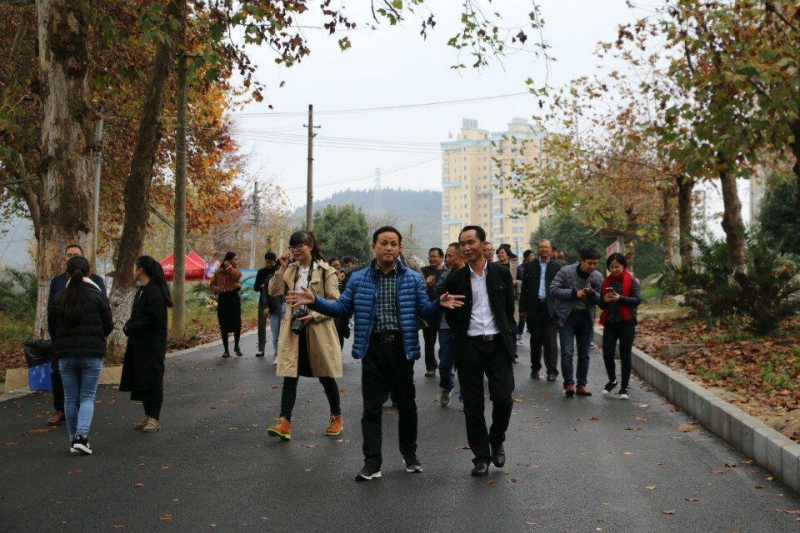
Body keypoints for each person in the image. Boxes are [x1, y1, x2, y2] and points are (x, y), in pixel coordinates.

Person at [290, 226, 463, 481]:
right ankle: (372, 462)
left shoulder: (412, 279)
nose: (388, 248)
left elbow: (425, 311)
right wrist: (315, 301)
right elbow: (341, 308)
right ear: (374, 247)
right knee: (371, 408)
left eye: (393, 243)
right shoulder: (359, 278)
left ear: (400, 247)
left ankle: (410, 454)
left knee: (407, 406)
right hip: (372, 349)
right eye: (384, 243)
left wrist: (439, 304)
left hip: (402, 349)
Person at [443, 226, 516, 477]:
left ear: (483, 244)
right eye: (462, 244)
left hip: (497, 345)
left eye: (471, 242)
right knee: (473, 404)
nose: (466, 248)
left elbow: (508, 310)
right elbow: (452, 317)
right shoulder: (455, 279)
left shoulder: (501, 273)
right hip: (469, 346)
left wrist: (509, 337)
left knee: (504, 398)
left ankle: (496, 439)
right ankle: (481, 456)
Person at [266, 231, 344, 440]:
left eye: (299, 246)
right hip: (295, 329)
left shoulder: (326, 271)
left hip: (318, 329)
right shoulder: (290, 269)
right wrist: (281, 268)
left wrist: (315, 315)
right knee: (290, 375)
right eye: (292, 247)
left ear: (310, 245)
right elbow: (274, 291)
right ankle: (284, 422)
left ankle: (336, 417)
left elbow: (335, 302)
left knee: (325, 375)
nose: (295, 250)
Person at [47, 256, 113, 455]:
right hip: (92, 354)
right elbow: (108, 326)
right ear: (89, 273)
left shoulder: (58, 298)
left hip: (65, 355)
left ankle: (73, 440)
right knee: (87, 397)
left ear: (67, 274)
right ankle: (81, 437)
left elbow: (52, 328)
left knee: (69, 399)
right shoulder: (98, 296)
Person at [119, 256, 173, 433]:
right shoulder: (142, 290)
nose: (132, 270)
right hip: (139, 343)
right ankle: (148, 415)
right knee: (141, 378)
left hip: (151, 344)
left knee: (153, 378)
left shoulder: (154, 291)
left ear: (140, 270)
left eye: (134, 267)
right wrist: (130, 325)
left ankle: (155, 417)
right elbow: (138, 315)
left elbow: (153, 319)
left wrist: (132, 327)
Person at [551, 247, 603, 397]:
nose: (593, 267)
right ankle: (569, 384)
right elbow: (554, 289)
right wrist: (575, 293)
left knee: (584, 354)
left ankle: (581, 384)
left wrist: (592, 294)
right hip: (566, 318)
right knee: (567, 352)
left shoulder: (597, 276)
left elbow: (601, 299)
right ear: (582, 260)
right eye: (590, 263)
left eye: (595, 263)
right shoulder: (566, 271)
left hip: (586, 320)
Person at [598, 253, 641, 400]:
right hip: (610, 322)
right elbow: (601, 304)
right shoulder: (606, 282)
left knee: (625, 354)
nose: (614, 269)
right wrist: (605, 300)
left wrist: (620, 298)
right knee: (607, 353)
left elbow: (637, 300)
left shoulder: (631, 280)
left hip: (627, 322)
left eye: (617, 266)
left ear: (623, 266)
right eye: (611, 267)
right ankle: (612, 380)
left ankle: (624, 386)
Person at [519, 239, 562, 381]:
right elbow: (525, 288)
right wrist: (522, 308)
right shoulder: (530, 266)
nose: (544, 249)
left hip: (550, 308)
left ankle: (552, 370)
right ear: (537, 249)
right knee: (535, 340)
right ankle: (535, 368)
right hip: (534, 307)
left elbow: (561, 289)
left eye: (546, 247)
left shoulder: (557, 267)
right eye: (541, 247)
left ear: (551, 249)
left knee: (551, 341)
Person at [432, 242, 465, 407]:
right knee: (444, 363)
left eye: (450, 256)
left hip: (467, 326)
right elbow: (435, 294)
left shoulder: (472, 275)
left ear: (461, 256)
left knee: (466, 364)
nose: (447, 259)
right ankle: (447, 386)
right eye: (446, 256)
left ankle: (466, 396)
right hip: (446, 325)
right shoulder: (445, 276)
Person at [210, 251, 242, 358]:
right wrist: (217, 289)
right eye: (235, 259)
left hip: (234, 298)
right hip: (223, 299)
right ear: (228, 260)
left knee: (237, 323)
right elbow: (212, 285)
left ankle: (236, 346)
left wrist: (229, 268)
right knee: (223, 324)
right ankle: (226, 350)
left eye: (237, 259)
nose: (237, 261)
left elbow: (237, 277)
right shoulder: (218, 272)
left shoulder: (235, 271)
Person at [421, 247, 446, 377]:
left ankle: (445, 366)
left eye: (434, 256)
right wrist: (426, 284)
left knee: (445, 342)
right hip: (429, 312)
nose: (432, 259)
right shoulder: (423, 271)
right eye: (430, 256)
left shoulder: (447, 273)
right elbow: (419, 289)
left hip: (444, 313)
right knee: (429, 342)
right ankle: (430, 367)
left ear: (441, 258)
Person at [253, 252, 280, 358]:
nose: (268, 264)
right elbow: (255, 287)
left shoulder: (277, 271)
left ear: (275, 261)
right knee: (261, 325)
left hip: (276, 301)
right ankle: (261, 349)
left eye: (271, 262)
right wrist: (264, 287)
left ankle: (277, 349)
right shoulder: (261, 272)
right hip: (264, 301)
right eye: (267, 262)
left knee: (278, 325)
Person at [495, 244, 521, 349]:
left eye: (502, 253)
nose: (500, 255)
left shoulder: (514, 267)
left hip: (512, 299)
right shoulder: (494, 267)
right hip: (498, 299)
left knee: (512, 322)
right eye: (498, 253)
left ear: (508, 255)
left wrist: (516, 282)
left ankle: (513, 346)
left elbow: (522, 281)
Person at [515, 250, 535, 339]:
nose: (533, 257)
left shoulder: (535, 267)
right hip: (522, 293)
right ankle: (519, 333)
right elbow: (519, 279)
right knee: (522, 315)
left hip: (532, 294)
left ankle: (531, 329)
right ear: (526, 257)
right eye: (531, 255)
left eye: (533, 255)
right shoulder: (520, 268)